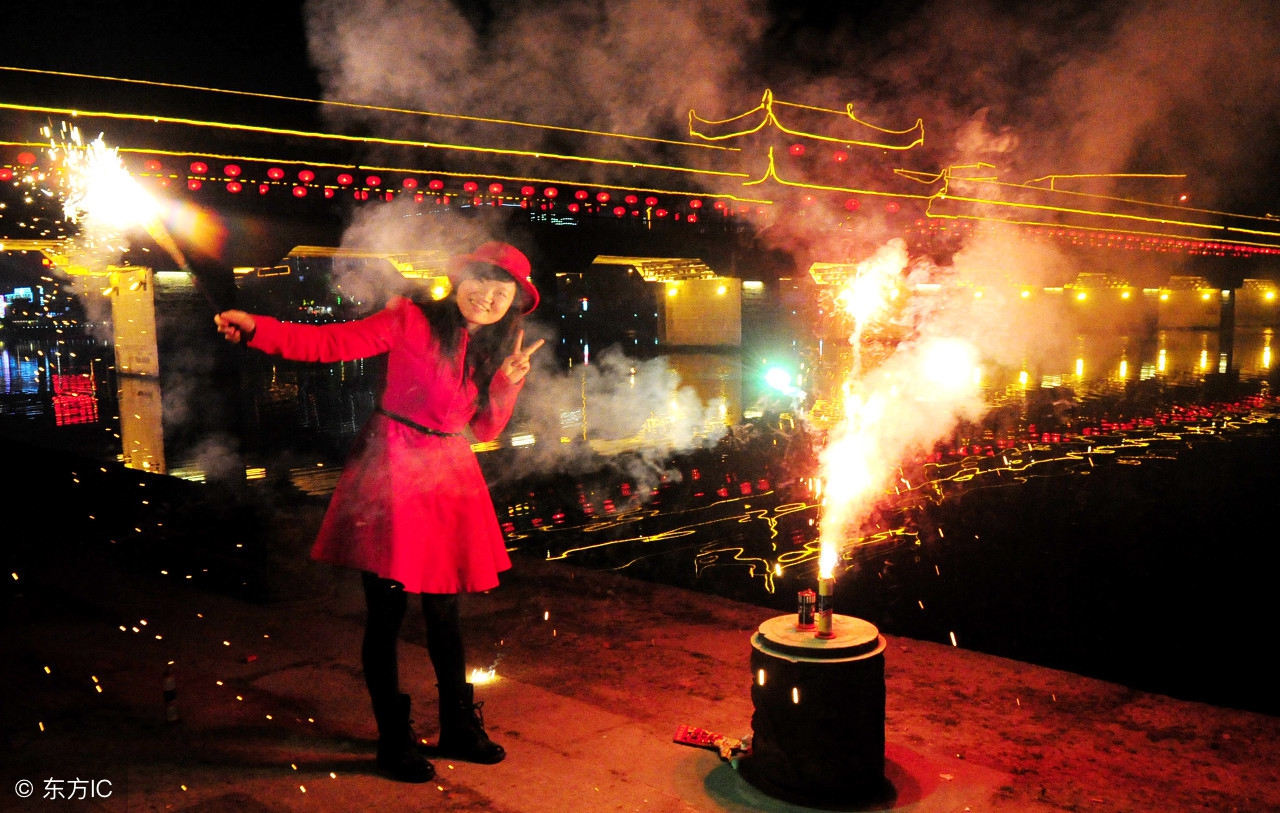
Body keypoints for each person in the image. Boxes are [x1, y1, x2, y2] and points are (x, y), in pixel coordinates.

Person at [215, 241, 545, 783]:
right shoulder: (409, 318)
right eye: (480, 283)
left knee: (445, 613)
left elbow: (484, 430)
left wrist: (508, 382)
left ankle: (458, 727)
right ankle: (394, 739)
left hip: (448, 473)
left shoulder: (492, 349)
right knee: (387, 612)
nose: (488, 297)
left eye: (502, 290)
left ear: (514, 300)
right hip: (391, 465)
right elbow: (328, 343)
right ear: (457, 282)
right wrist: (259, 328)